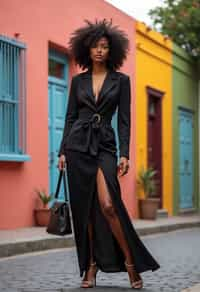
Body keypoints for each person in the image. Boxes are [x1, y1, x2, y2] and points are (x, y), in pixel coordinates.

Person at [58, 19, 160, 289]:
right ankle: (90, 267)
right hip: (78, 146)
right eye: (95, 46)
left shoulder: (121, 81)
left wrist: (125, 153)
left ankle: (130, 264)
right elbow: (70, 118)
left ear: (111, 50)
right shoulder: (77, 81)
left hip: (105, 146)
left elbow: (124, 120)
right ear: (87, 50)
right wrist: (62, 151)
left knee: (107, 205)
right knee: (85, 212)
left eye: (104, 46)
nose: (100, 51)